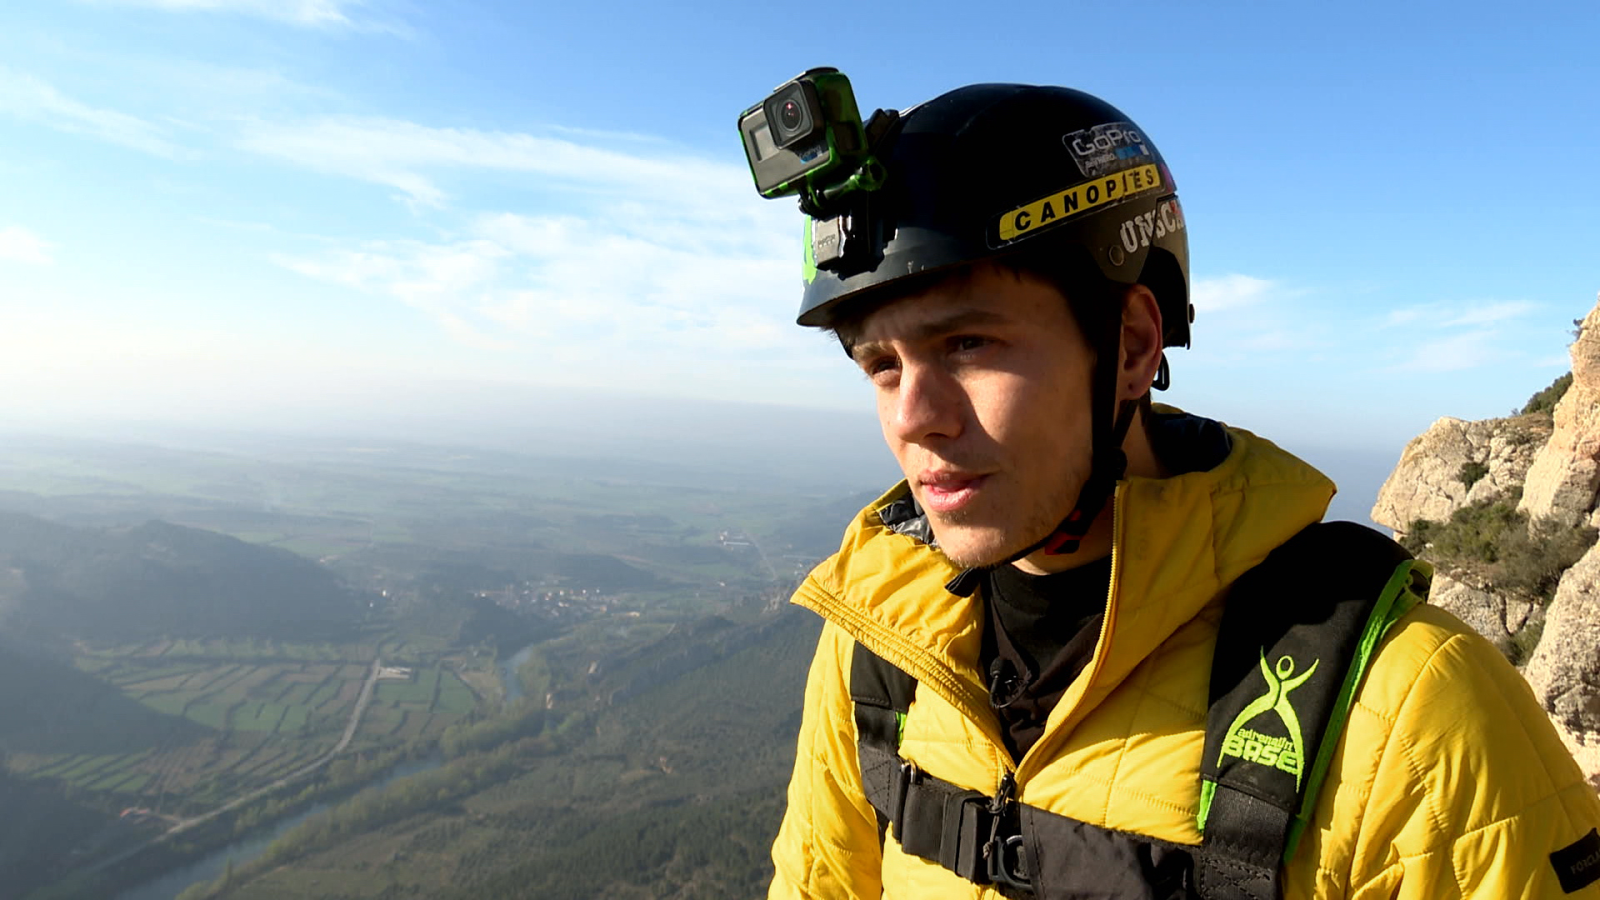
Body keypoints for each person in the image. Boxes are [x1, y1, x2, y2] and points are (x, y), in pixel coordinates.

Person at [761, 80, 1600, 899]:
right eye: (880, 365)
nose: (915, 417)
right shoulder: (880, 647)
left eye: (969, 343)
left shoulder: (1409, 715)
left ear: (1129, 346)